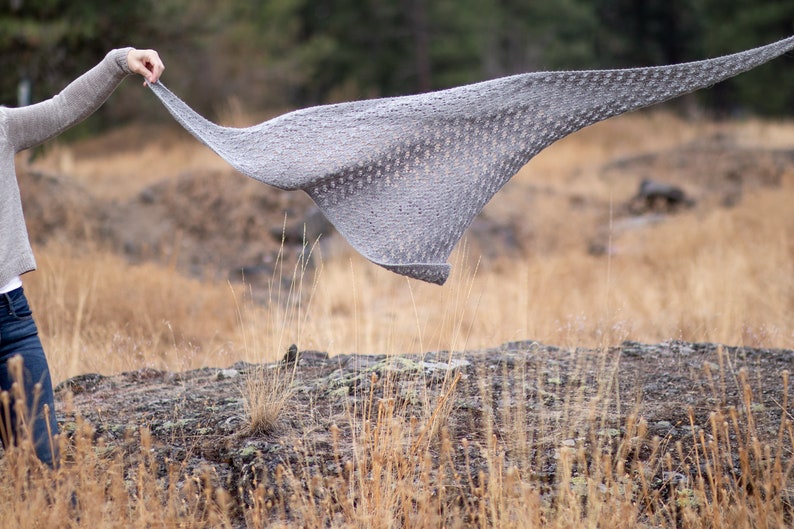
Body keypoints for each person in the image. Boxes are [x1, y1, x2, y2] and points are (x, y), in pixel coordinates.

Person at [0, 48, 164, 467]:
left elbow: (61, 109)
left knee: (45, 464)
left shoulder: (0, 125)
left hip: (10, 321)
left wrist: (119, 61)